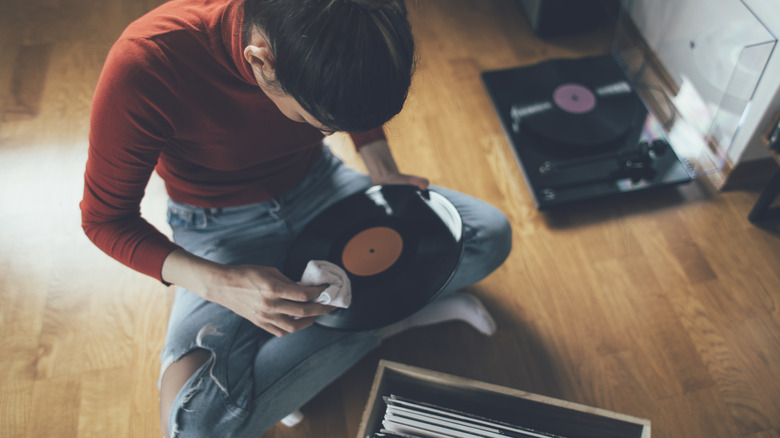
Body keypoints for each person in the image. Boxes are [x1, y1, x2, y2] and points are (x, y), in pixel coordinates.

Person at [80, 0, 512, 436]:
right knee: (194, 427)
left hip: (322, 186)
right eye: (318, 123)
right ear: (260, 60)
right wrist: (224, 284)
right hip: (219, 230)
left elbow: (345, 86)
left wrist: (381, 168)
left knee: (488, 235)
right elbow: (105, 220)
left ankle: (316, 349)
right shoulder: (147, 62)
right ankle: (384, 314)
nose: (326, 132)